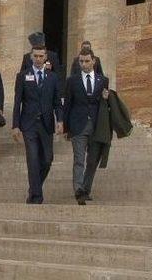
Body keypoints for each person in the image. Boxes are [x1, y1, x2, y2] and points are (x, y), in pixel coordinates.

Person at [12, 45, 63, 204]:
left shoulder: (52, 77)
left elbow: (57, 102)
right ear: (31, 57)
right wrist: (15, 125)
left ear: (46, 57)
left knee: (47, 159)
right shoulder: (22, 76)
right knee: (33, 159)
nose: (39, 59)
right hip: (29, 124)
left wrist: (60, 120)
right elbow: (17, 102)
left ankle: (34, 188)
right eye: (36, 56)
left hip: (47, 124)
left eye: (41, 56)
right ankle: (37, 196)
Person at [64, 48, 109, 205]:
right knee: (79, 159)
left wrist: (106, 98)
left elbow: (106, 105)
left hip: (96, 126)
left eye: (87, 61)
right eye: (81, 61)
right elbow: (68, 105)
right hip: (78, 125)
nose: (84, 64)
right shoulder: (72, 81)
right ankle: (78, 190)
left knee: (92, 160)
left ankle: (86, 189)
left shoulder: (103, 80)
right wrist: (65, 128)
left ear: (93, 61)